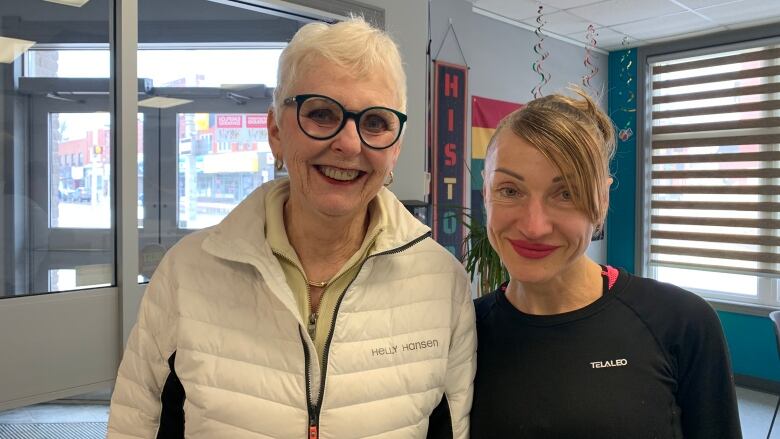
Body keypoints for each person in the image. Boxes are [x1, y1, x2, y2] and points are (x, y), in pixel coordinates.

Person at [107, 17, 476, 439]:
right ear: (276, 132)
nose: (350, 144)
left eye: (375, 122)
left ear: (395, 148)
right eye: (321, 113)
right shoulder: (186, 275)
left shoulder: (442, 283)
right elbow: (134, 424)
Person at [469, 89, 741, 438]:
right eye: (509, 190)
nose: (533, 226)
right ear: (486, 195)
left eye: (566, 193)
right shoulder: (463, 331)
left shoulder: (681, 323)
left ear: (601, 201)